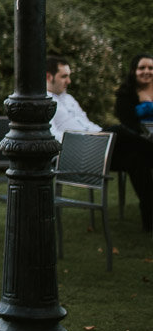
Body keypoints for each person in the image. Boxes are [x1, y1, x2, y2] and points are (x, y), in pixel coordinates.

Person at [47, 55, 153, 233]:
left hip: (96, 144)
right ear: (49, 77)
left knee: (136, 159)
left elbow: (87, 123)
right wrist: (92, 138)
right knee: (119, 130)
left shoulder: (69, 99)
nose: (69, 81)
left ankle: (150, 220)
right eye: (64, 76)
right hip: (79, 150)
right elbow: (54, 136)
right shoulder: (43, 102)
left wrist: (101, 134)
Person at [114, 53, 153, 137]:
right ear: (133, 71)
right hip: (137, 138)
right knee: (115, 130)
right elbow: (126, 123)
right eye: (142, 68)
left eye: (150, 68)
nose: (146, 71)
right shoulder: (125, 93)